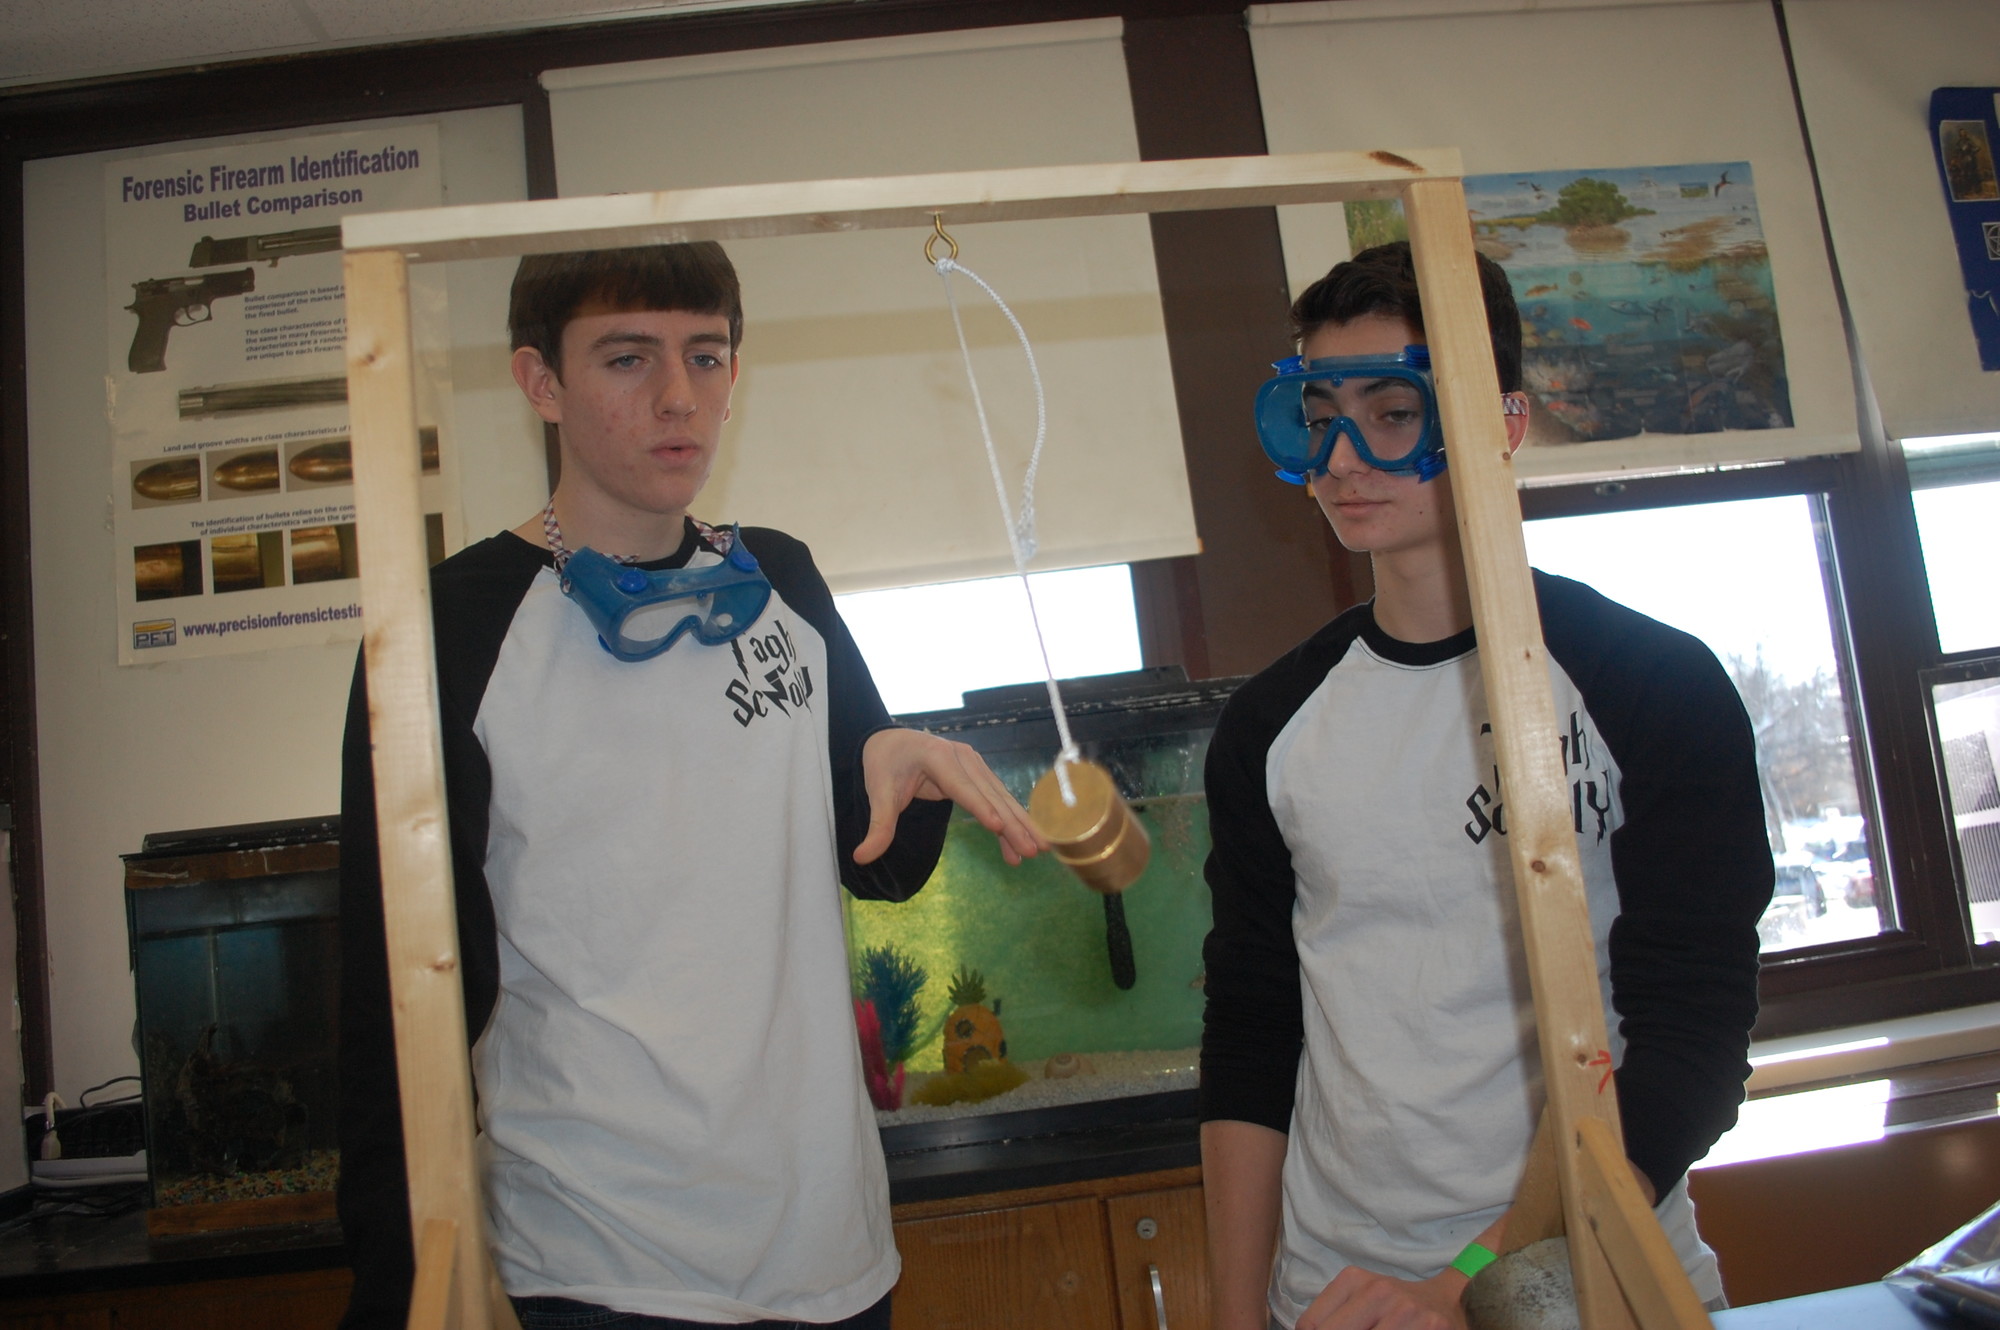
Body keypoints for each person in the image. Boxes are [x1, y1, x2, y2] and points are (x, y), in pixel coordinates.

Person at [337, 241, 1045, 1330]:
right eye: (627, 359)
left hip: (829, 1253)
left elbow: (883, 861)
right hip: (596, 1264)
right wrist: (400, 1289)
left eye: (705, 357)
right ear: (540, 382)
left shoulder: (780, 581)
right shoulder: (451, 626)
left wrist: (912, 770)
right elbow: (398, 996)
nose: (679, 397)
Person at [1198, 241, 1774, 1330]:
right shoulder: (1271, 728)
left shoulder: (1651, 687)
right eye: (1315, 412)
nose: (1341, 454)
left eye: (1392, 411)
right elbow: (1249, 1031)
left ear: (1500, 424)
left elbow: (1691, 1043)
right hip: (1338, 1298)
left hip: (1593, 1285)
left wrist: (1471, 1281)